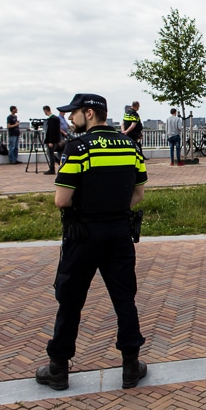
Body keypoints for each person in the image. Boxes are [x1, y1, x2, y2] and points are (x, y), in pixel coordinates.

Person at [35, 93, 148, 391]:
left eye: (74, 113)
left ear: (88, 113)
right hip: (120, 232)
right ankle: (130, 366)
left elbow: (62, 199)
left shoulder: (78, 147)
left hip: (83, 235)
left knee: (71, 301)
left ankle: (58, 368)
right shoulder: (130, 146)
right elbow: (138, 194)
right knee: (124, 299)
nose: (71, 119)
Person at [42, 106, 62, 175]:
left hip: (52, 140)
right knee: (51, 153)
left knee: (50, 154)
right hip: (56, 139)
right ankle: (59, 163)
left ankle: (52, 168)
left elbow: (51, 131)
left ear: (45, 110)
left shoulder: (51, 119)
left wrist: (50, 141)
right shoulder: (56, 118)